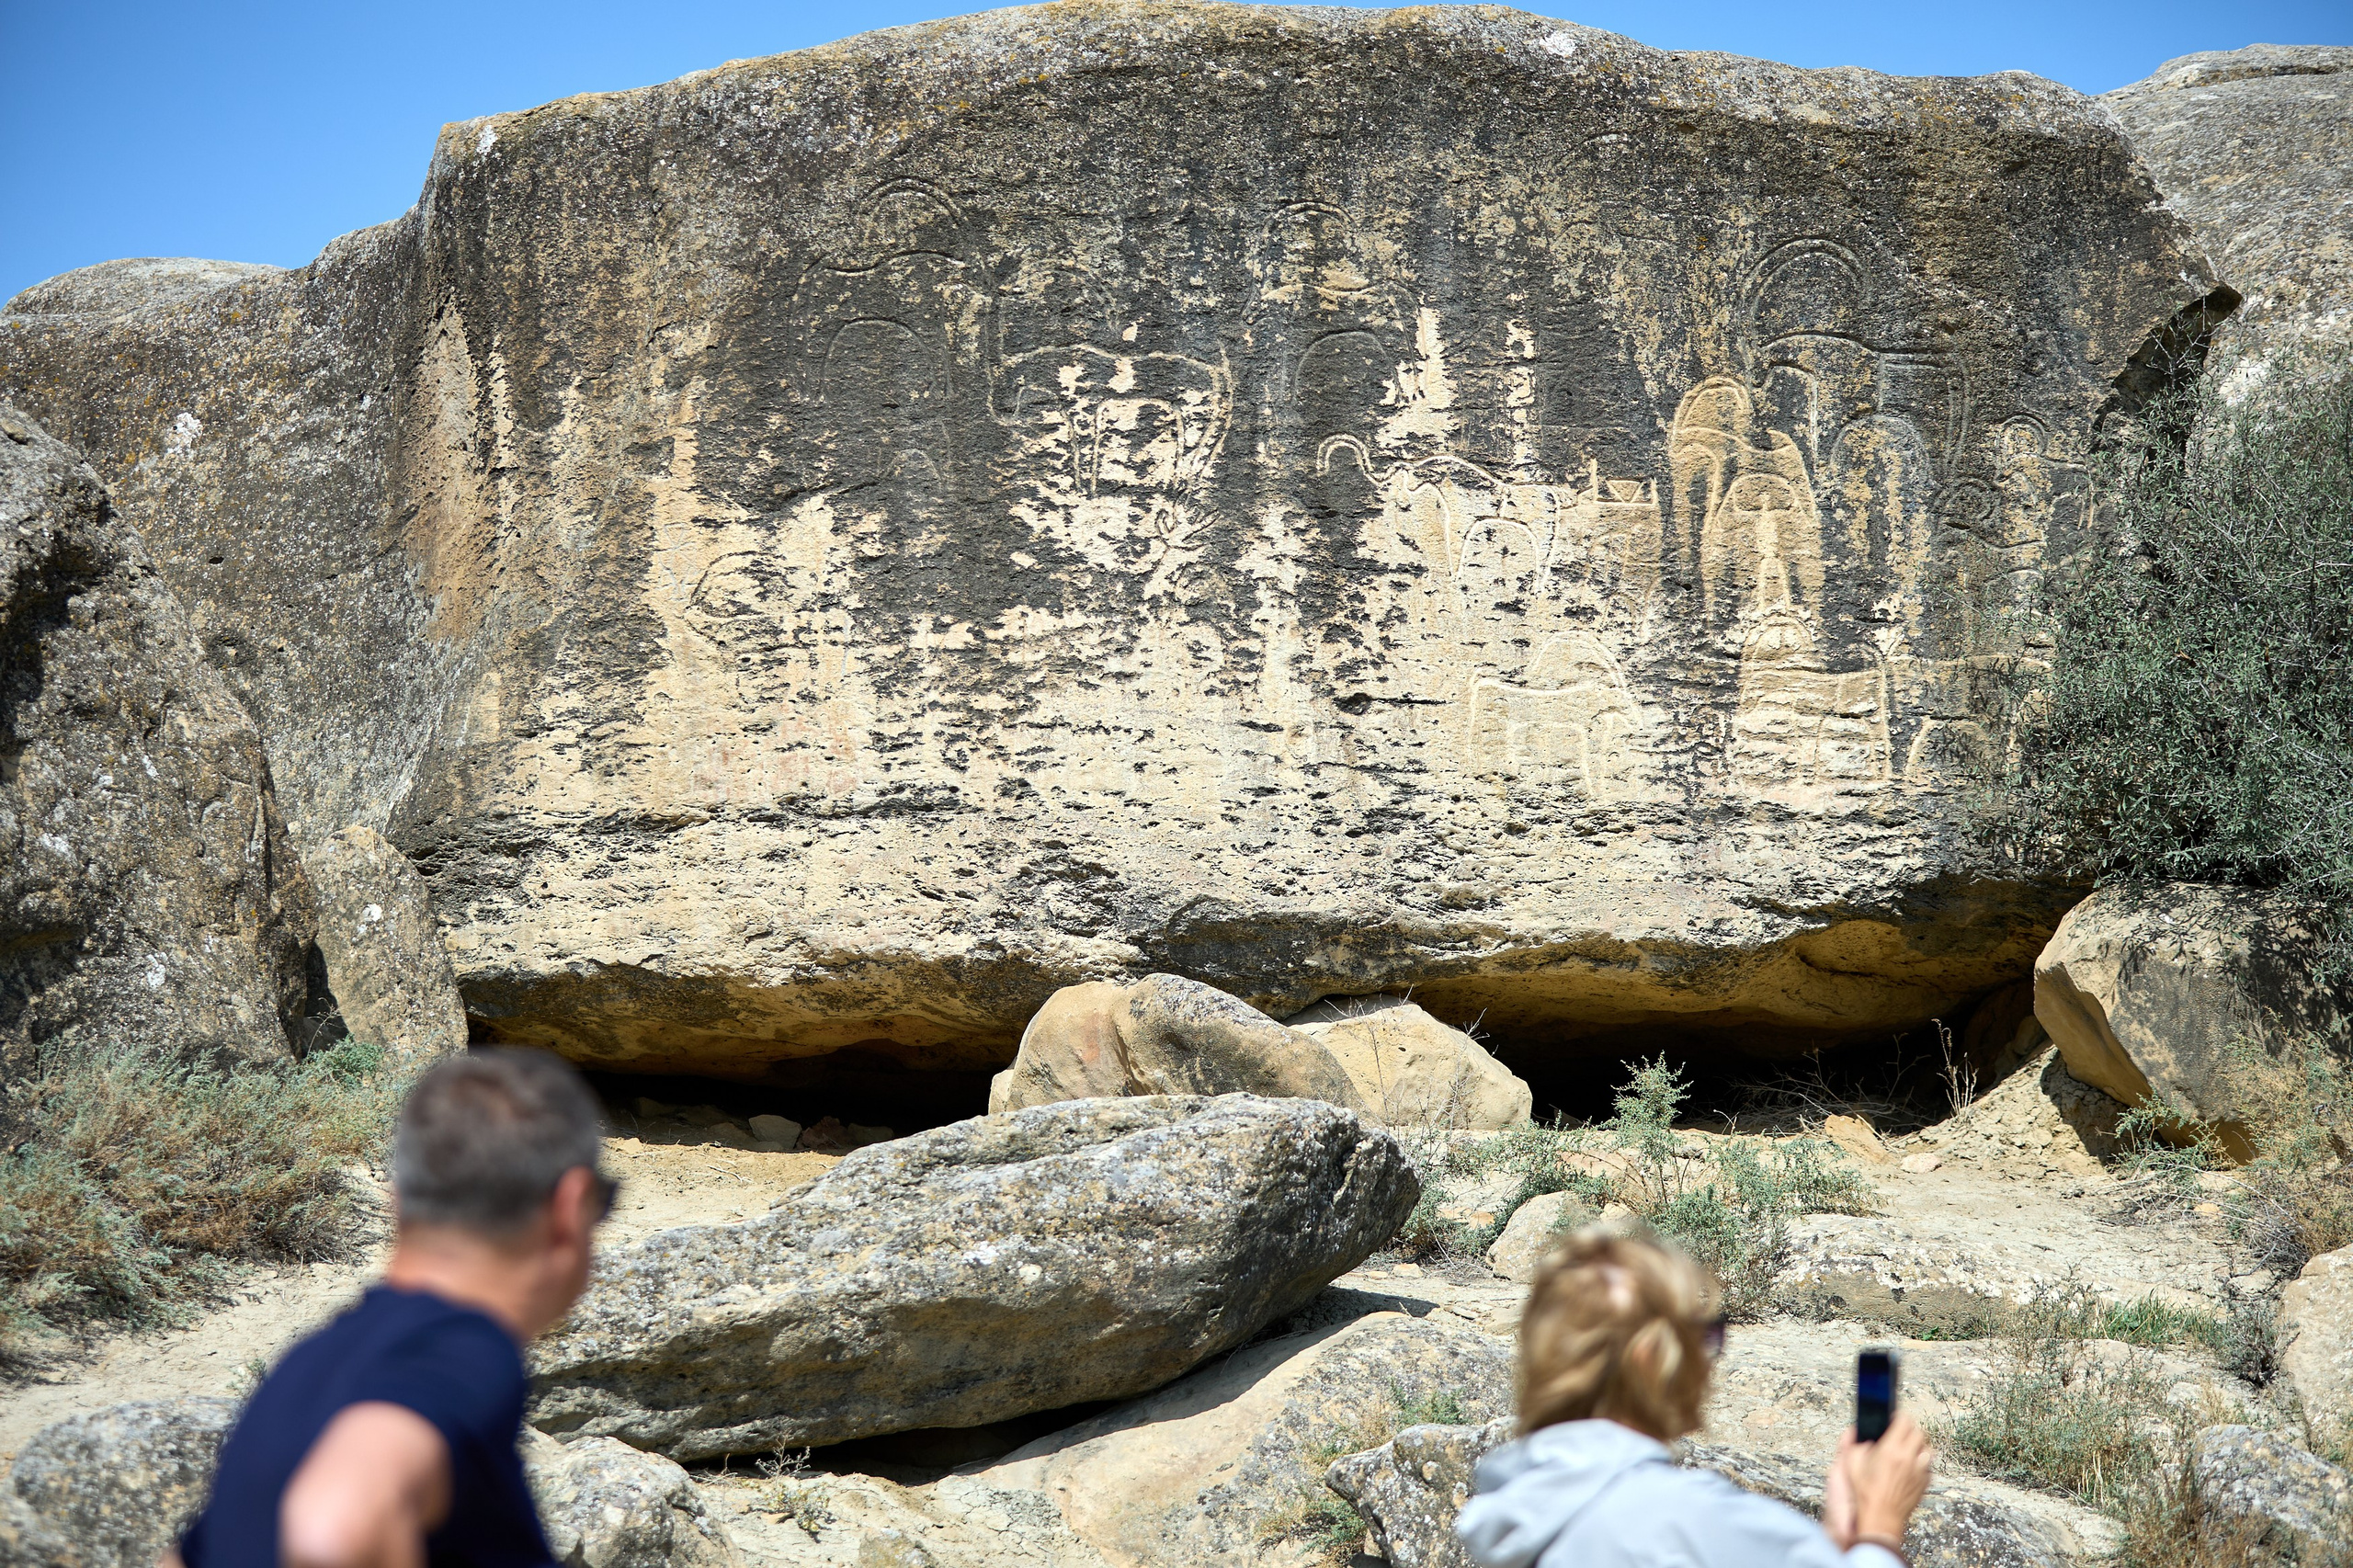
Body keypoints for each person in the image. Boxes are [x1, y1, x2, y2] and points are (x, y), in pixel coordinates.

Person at [168, 1049, 616, 1568]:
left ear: (396, 1202)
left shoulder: (303, 1368)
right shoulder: (462, 1353)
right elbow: (331, 1526)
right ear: (571, 1206)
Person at [1456, 1230, 1934, 1568]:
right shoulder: (1689, 1521)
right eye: (1706, 1335)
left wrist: (1830, 1544)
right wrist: (1880, 1531)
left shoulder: (1510, 1507)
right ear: (1649, 1359)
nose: (1711, 1358)